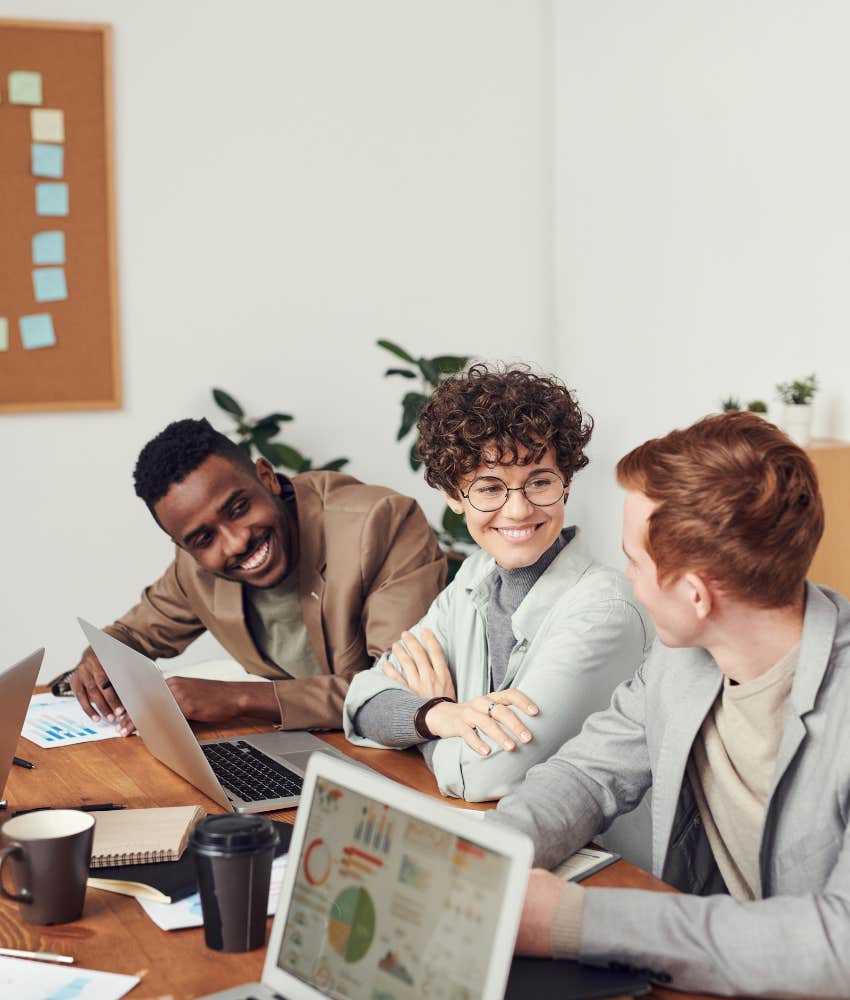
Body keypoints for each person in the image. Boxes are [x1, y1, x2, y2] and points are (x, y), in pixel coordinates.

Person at [489, 411, 850, 996]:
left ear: (695, 593)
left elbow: (837, 942)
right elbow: (585, 774)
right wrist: (491, 853)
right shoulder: (681, 657)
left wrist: (571, 922)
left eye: (634, 562)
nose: (627, 578)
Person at [343, 365, 652, 802]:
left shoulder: (606, 612)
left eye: (539, 482)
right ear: (453, 495)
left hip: (599, 861)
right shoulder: (476, 575)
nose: (518, 511)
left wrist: (421, 724)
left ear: (566, 483)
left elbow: (485, 776)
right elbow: (362, 701)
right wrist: (438, 715)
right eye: (490, 488)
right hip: (491, 837)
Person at [60, 418, 446, 733]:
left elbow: (396, 690)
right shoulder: (193, 570)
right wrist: (97, 660)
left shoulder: (382, 523)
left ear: (267, 477)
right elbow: (130, 636)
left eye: (238, 508)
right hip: (309, 747)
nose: (235, 542)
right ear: (184, 547)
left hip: (403, 754)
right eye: (203, 538)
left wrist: (237, 698)